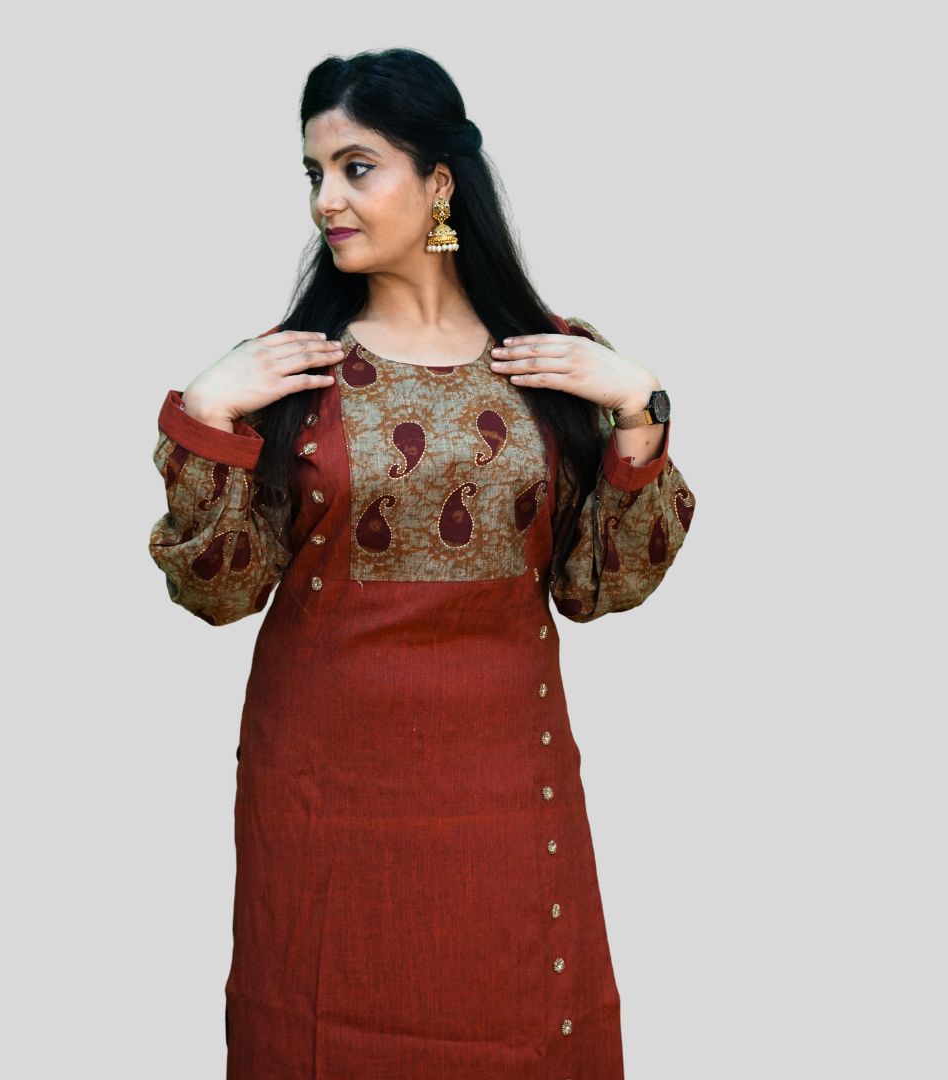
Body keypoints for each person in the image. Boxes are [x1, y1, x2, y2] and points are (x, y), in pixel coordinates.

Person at [148, 47, 695, 1080]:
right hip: (325, 792)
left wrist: (639, 408)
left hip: (505, 783)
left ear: (438, 182)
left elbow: (600, 585)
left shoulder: (552, 358)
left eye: (356, 168)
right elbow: (217, 593)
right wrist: (209, 414)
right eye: (314, 173)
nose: (326, 200)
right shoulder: (289, 369)